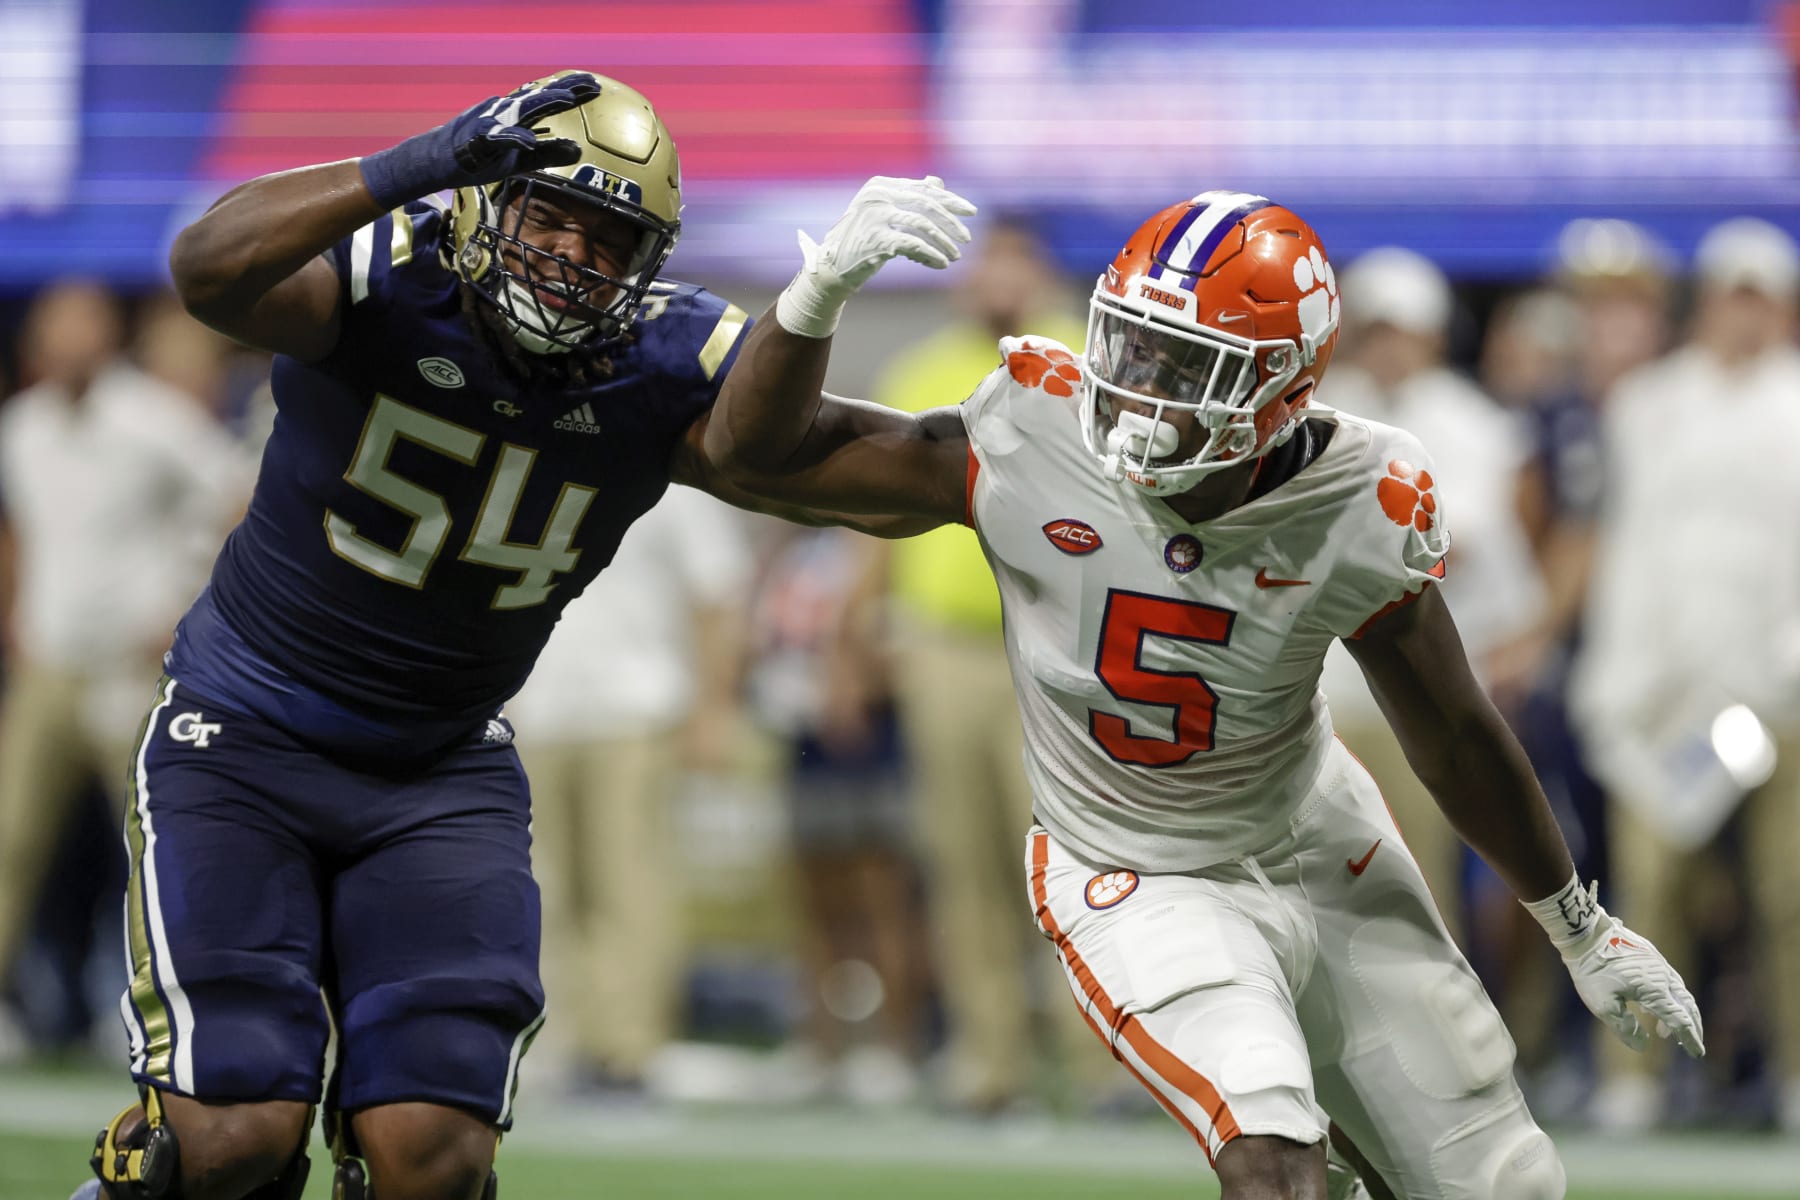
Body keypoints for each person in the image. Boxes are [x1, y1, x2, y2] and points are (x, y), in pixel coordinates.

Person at [700, 178, 1706, 1199]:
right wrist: (816, 296)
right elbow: (758, 456)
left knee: (1504, 1184)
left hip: (1313, 840)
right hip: (1134, 870)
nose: (1138, 391)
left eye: (1184, 366)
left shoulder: (1360, 501)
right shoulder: (1032, 434)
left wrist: (1579, 924)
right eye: (1131, 347)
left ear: (1282, 389)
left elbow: (1450, 728)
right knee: (1271, 1153)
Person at [74, 71, 915, 1200]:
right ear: (482, 200)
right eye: (549, 215)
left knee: (436, 1155)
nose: (574, 255)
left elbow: (785, 456)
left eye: (610, 240)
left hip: (440, 765)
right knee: (231, 1142)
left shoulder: (666, 357)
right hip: (246, 736)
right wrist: (414, 162)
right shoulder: (389, 273)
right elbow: (207, 270)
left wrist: (810, 308)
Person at [859, 216, 1114, 1113]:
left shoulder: (1093, 362)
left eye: (1017, 258)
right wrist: (863, 634)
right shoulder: (921, 371)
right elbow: (876, 520)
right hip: (943, 648)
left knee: (1081, 861)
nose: (999, 276)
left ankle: (1103, 1067)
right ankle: (990, 1060)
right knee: (962, 862)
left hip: (1060, 644)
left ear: (1042, 273)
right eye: (988, 260)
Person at [1570, 216, 1800, 1134]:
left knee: (1791, 899)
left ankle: (1792, 1080)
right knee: (1647, 894)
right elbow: (1632, 551)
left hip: (1781, 703)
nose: (1741, 317)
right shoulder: (1650, 403)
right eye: (1728, 297)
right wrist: (1614, 680)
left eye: (1759, 299)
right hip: (1666, 706)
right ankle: (1636, 1082)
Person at [0, 280, 246, 1024]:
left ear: (106, 337)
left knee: (156, 843)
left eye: (83, 325)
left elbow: (239, 503)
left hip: (134, 668)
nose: (69, 343)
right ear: (36, 343)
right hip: (47, 663)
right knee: (11, 838)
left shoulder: (154, 419)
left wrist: (186, 608)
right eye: (56, 328)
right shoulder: (22, 426)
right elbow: (24, 532)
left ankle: (176, 1007)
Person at [1314, 247, 1546, 943]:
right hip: (1322, 695)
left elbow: (1451, 539)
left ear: (1433, 336)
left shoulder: (1472, 422)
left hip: (1426, 692)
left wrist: (1337, 535)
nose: (1388, 349)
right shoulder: (1318, 411)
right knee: (1320, 885)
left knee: (1422, 885)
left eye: (1402, 332)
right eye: (1376, 331)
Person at [504, 484, 752, 1099]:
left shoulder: (669, 478)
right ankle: (566, 1043)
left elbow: (718, 592)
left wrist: (715, 708)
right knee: (545, 888)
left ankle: (628, 1049)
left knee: (629, 883)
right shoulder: (536, 459)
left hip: (636, 705)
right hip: (537, 705)